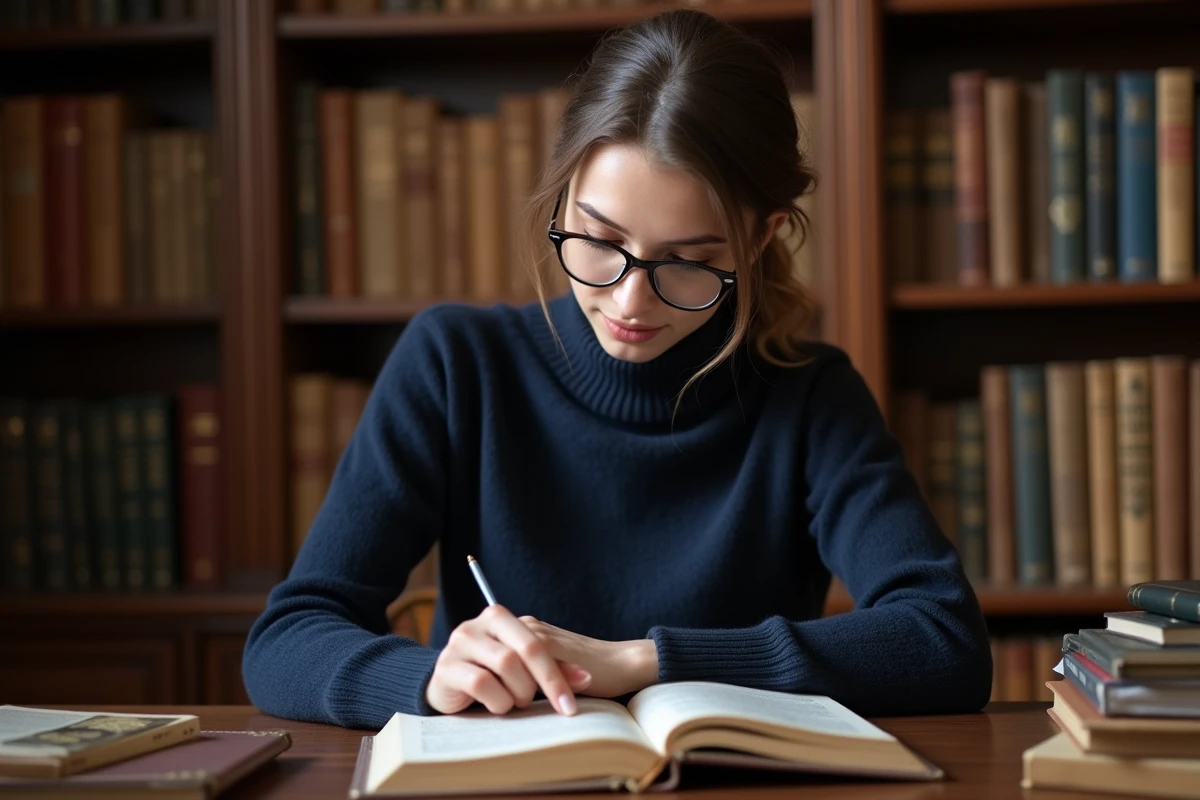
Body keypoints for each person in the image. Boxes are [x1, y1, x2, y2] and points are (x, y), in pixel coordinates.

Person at [242, 8, 991, 730]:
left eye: (689, 263)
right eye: (599, 241)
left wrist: (644, 662)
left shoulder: (809, 397)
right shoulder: (455, 365)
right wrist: (426, 679)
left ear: (759, 240)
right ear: (564, 193)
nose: (629, 301)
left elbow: (943, 640)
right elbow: (286, 641)